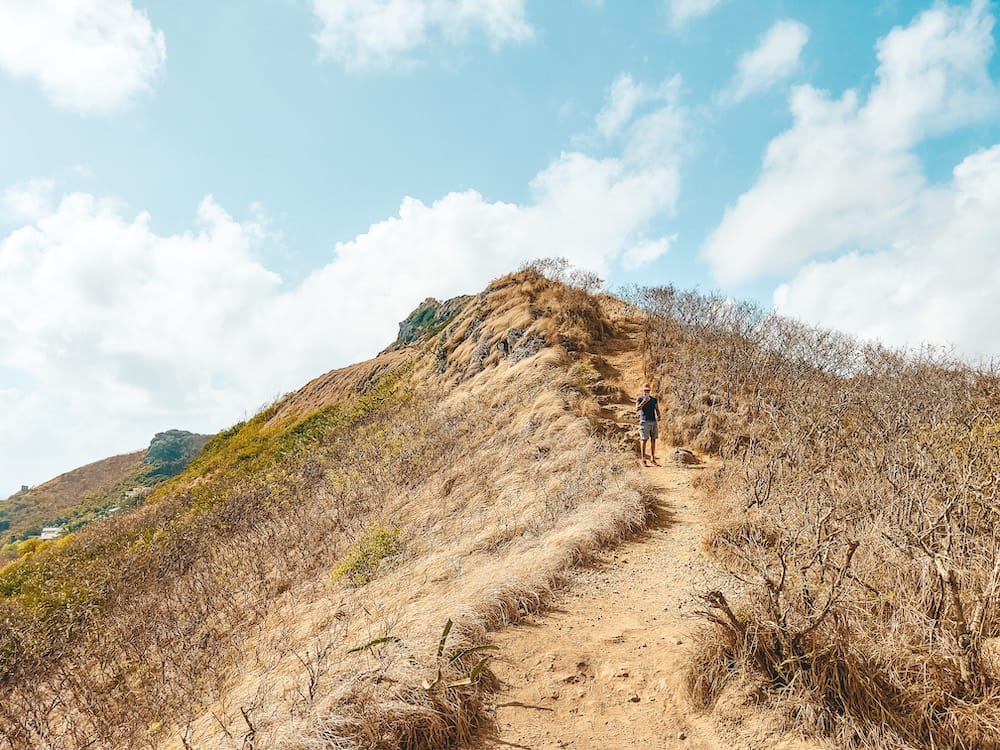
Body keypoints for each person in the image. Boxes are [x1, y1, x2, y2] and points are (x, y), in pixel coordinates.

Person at [636, 382, 661, 466]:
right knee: (644, 440)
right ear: (643, 390)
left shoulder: (654, 399)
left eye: (648, 390)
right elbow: (637, 409)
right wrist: (644, 401)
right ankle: (643, 459)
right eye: (645, 390)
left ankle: (652, 458)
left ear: (650, 390)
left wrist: (659, 415)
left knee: (653, 439)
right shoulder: (640, 398)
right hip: (644, 421)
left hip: (653, 421)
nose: (646, 391)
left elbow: (657, 408)